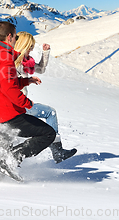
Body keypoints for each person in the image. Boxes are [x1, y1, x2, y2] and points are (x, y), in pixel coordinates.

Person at [0, 21, 56, 181]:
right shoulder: (4, 58)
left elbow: (0, 83)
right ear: (9, 37)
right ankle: (10, 159)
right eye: (15, 37)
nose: (16, 40)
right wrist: (27, 103)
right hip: (6, 116)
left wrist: (25, 82)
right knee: (48, 133)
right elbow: (9, 89)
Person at [14, 31, 76, 164]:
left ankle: (56, 151)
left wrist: (45, 53)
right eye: (29, 47)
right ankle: (57, 152)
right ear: (22, 46)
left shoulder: (26, 62)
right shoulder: (14, 63)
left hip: (23, 103)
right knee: (50, 112)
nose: (30, 50)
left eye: (31, 47)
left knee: (50, 113)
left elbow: (41, 69)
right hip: (19, 105)